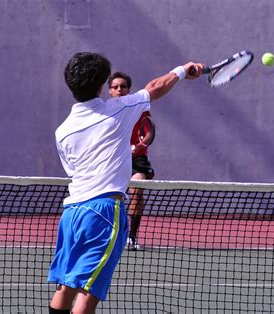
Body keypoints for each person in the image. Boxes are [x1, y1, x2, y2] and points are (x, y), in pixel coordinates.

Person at [48, 52, 203, 314]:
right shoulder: (118, 109)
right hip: (103, 214)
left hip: (72, 213)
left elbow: (73, 168)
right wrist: (182, 69)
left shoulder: (62, 131)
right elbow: (155, 88)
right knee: (88, 292)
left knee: (66, 287)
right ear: (102, 85)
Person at [107, 72, 154, 251]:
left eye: (123, 86)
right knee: (109, 197)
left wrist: (137, 146)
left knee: (137, 189)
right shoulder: (104, 110)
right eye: (115, 87)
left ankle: (131, 237)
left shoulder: (139, 108)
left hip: (136, 159)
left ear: (129, 89)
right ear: (110, 91)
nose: (120, 89)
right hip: (112, 160)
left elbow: (148, 132)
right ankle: (110, 234)